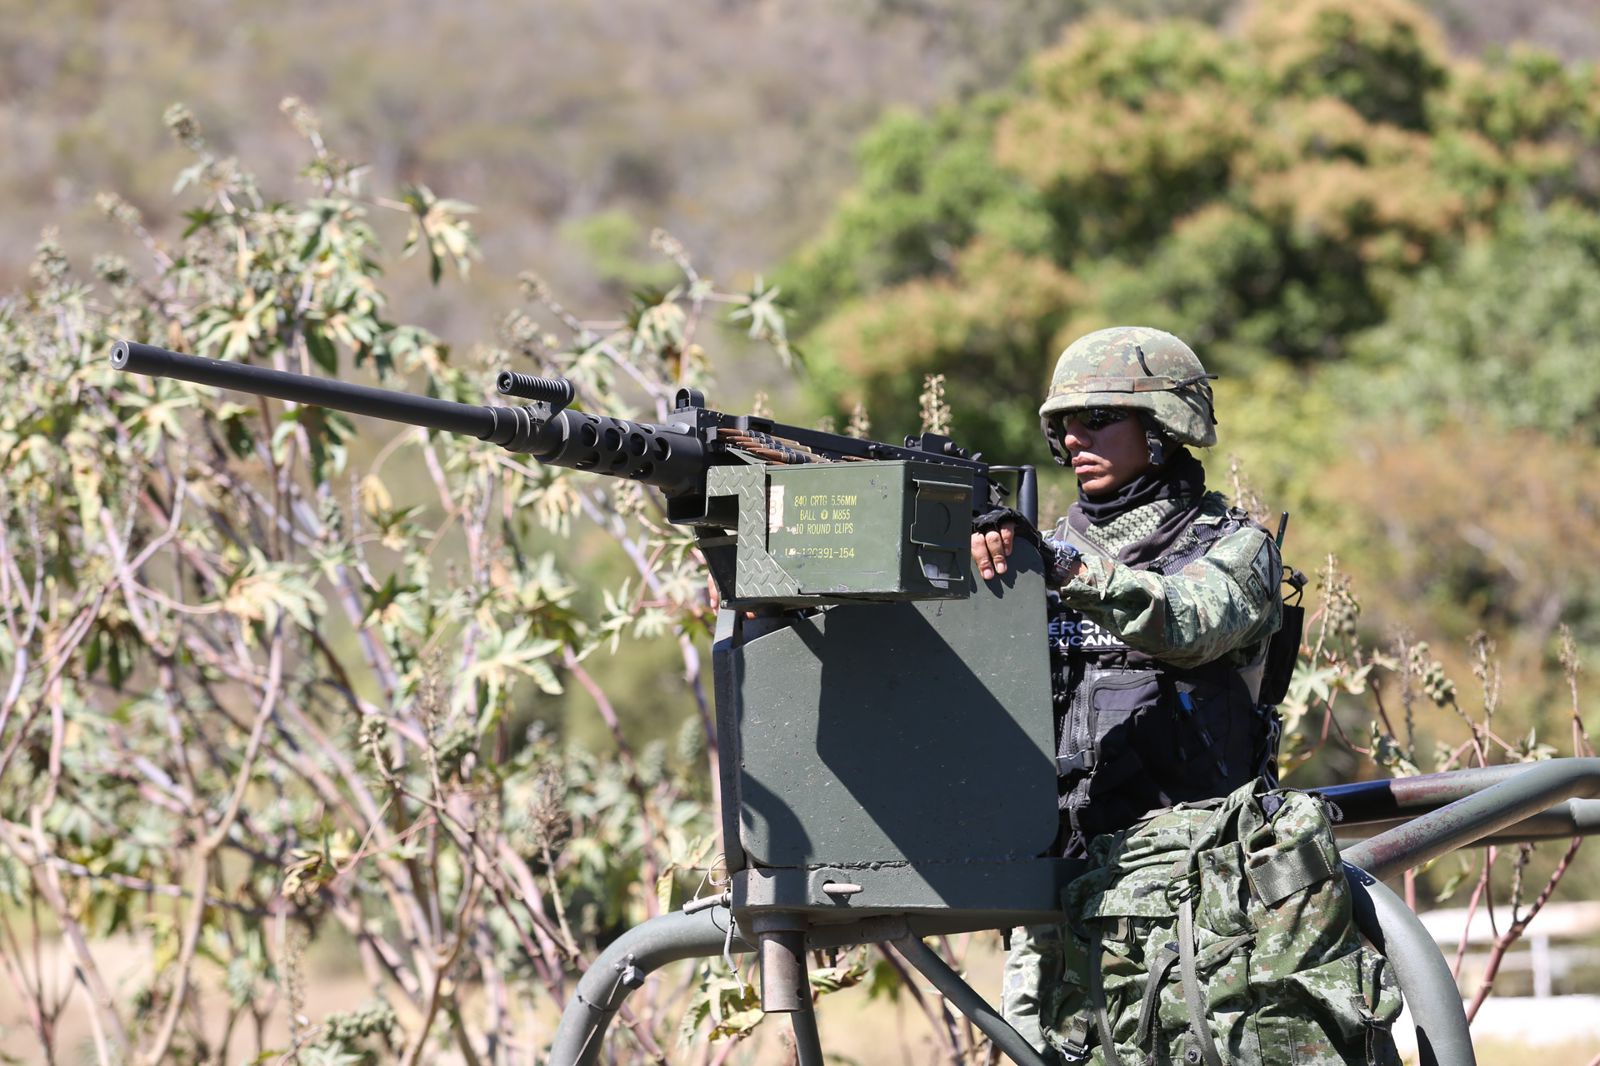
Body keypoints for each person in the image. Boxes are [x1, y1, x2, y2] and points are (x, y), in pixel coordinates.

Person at [971, 325, 1283, 1058]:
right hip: (1059, 888)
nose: (1075, 438)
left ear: (1165, 429)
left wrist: (1063, 568)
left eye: (1099, 419)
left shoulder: (1234, 548)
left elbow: (1191, 622)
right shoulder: (1033, 558)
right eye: (1064, 425)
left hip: (1191, 891)